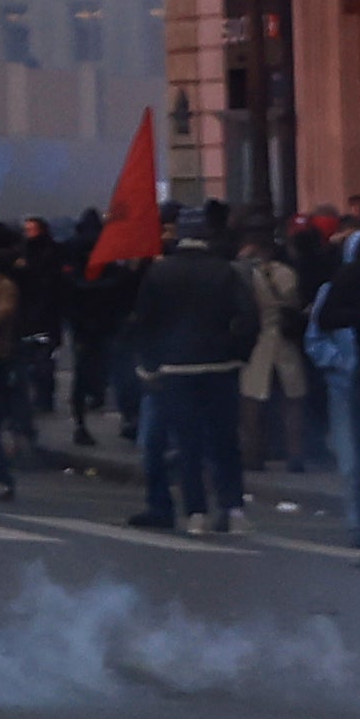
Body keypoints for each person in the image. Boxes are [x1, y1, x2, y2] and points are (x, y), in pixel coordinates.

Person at [127, 206, 256, 538]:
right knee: (225, 441)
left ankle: (195, 511)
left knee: (188, 444)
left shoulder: (160, 273)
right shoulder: (225, 272)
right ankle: (233, 507)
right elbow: (248, 318)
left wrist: (150, 365)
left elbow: (144, 322)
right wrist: (238, 353)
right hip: (219, 366)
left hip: (176, 367)